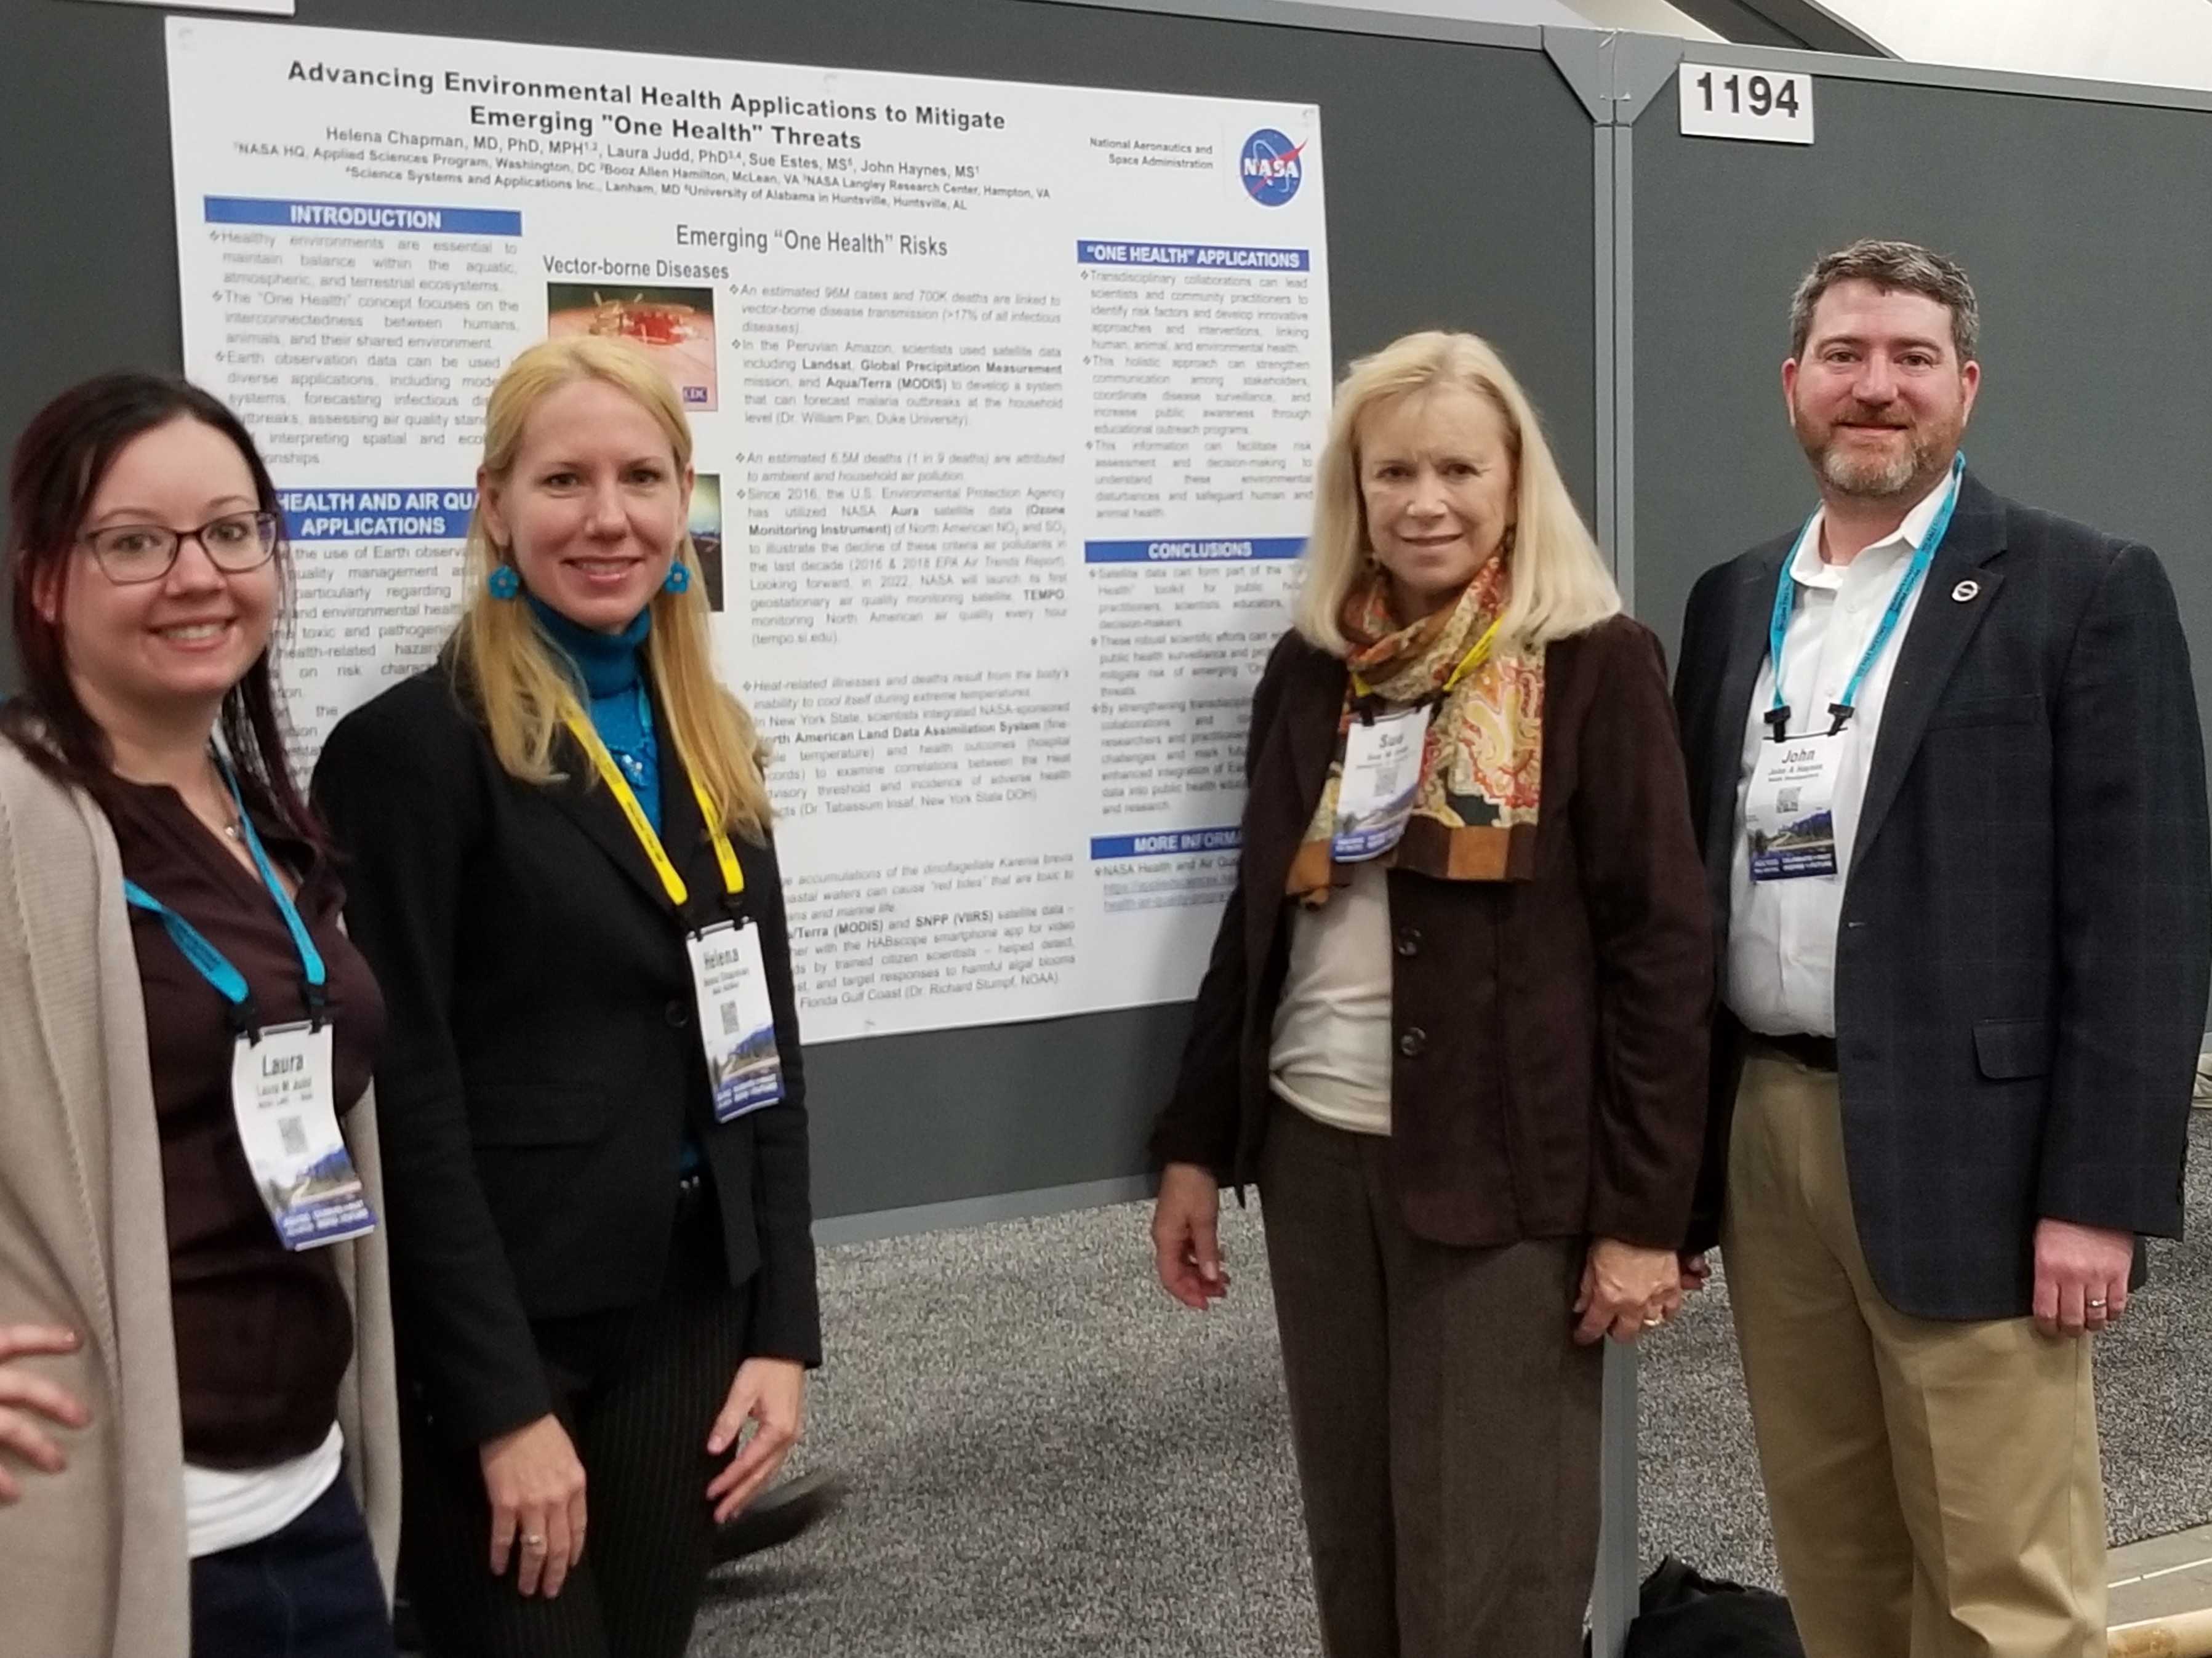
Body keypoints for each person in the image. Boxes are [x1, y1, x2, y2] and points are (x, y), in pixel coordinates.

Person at [1673, 239, 2211, 1657]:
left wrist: (2100, 1192)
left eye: (1913, 360)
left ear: (1965, 391)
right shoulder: (1734, 603)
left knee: (2004, 1585)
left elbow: (2146, 918)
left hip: (1982, 1154)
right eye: (1846, 357)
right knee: (1837, 1555)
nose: (1877, 388)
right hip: (1771, 1140)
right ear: (1793, 385)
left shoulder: (2082, 588)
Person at [1148, 329, 1712, 1656]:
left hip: (1504, 1181)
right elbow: (1255, 916)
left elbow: (1662, 954)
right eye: (1392, 470)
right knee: (1360, 1549)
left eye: (1459, 466)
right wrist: (1193, 1143)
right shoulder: (1310, 672)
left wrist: (1643, 1220)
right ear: (1355, 491)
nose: (1425, 501)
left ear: (1517, 483)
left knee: (1490, 1581)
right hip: (1314, 1154)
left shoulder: (1594, 665)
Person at [314, 334, 820, 1658]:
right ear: (494, 502)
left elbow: (763, 1045)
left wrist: (783, 1331)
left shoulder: (712, 737)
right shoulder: (408, 753)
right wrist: (498, 1408)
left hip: (689, 1302)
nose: (609, 518)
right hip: (507, 1328)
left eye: (643, 478)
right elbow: (403, 1096)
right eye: (564, 481)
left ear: (684, 501)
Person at [0, 372, 399, 1657]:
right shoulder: (17, 822)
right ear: (47, 579)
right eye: (136, 542)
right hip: (114, 1533)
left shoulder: (262, 818)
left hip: (309, 1503)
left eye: (233, 532)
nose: (199, 575)